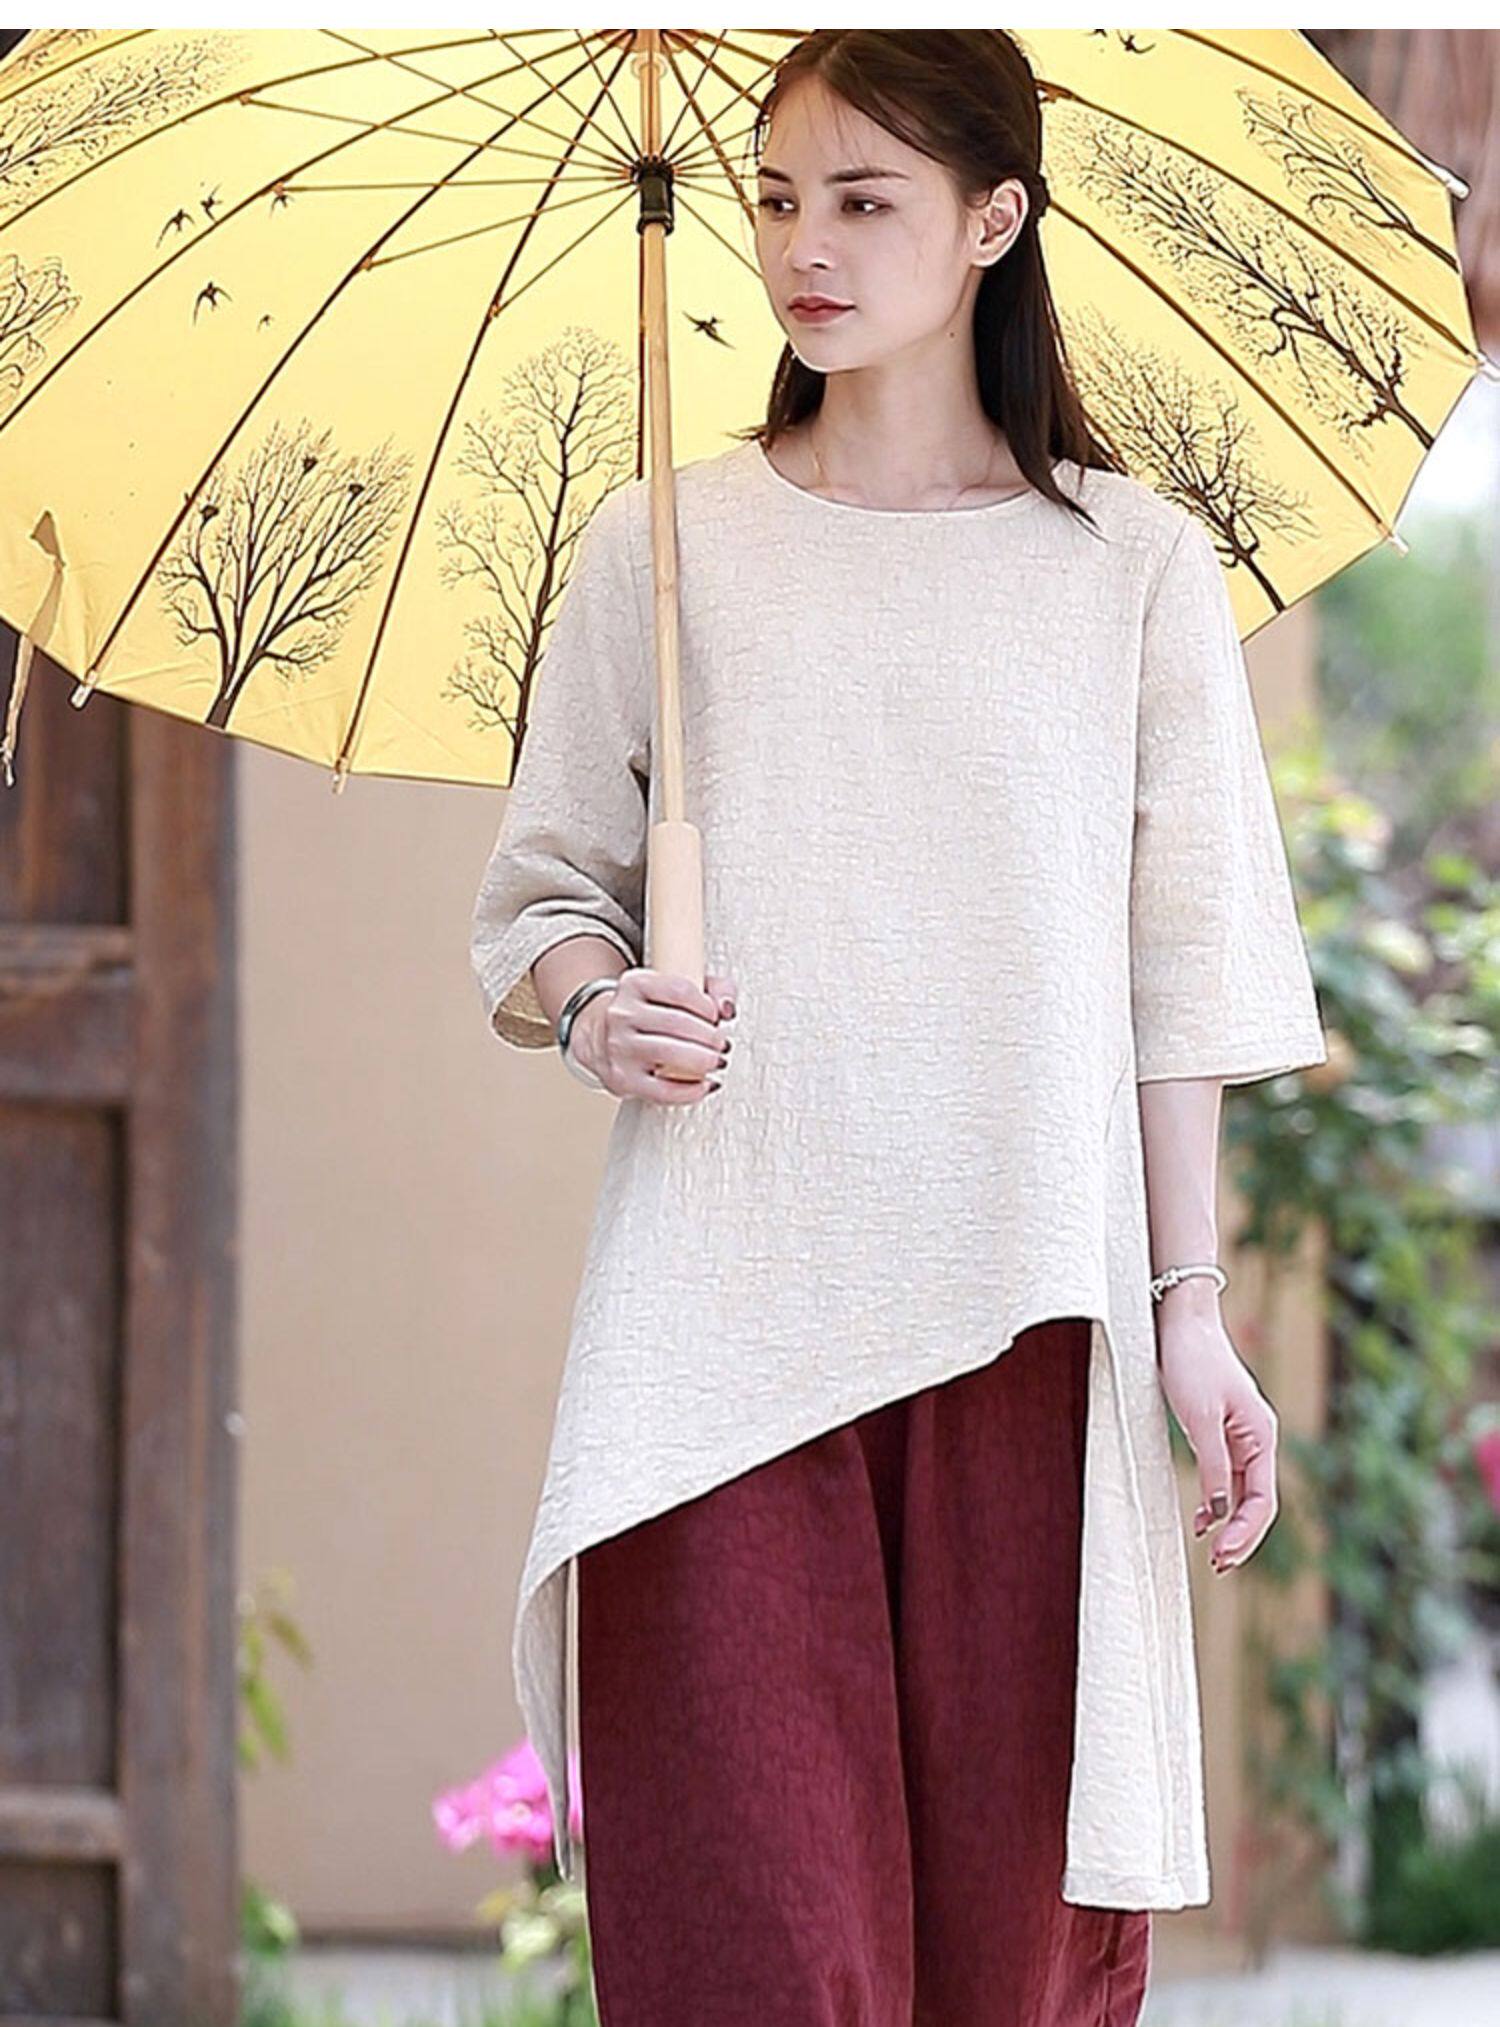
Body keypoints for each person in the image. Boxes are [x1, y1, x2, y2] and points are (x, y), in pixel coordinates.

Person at [470, 29, 1327, 2027]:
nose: (805, 247)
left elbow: (1179, 977)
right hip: (719, 1339)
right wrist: (599, 1011)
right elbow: (540, 902)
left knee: (1009, 1975)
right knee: (751, 1953)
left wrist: (1191, 1310)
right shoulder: (662, 547)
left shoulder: (1130, 569)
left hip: (1030, 1320)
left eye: (864, 201)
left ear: (994, 219)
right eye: (779, 198)